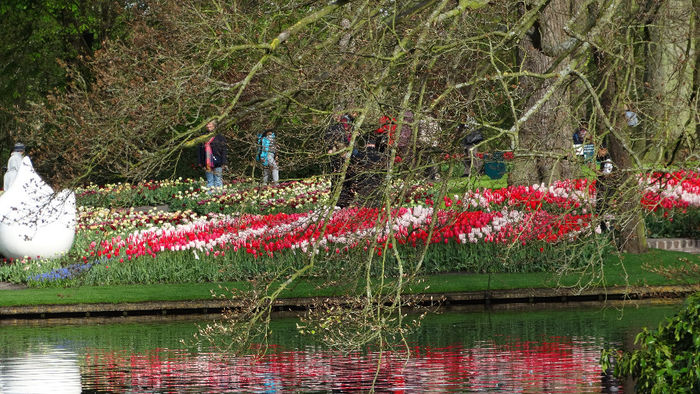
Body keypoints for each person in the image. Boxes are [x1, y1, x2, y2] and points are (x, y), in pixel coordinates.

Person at [197, 120, 227, 190]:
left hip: (218, 162)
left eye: (209, 124)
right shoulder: (203, 137)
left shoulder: (220, 137)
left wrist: (224, 162)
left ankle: (219, 197)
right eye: (207, 124)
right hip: (207, 163)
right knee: (210, 181)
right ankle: (210, 198)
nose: (208, 126)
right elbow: (199, 151)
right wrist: (200, 162)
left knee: (218, 181)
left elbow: (224, 150)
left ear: (214, 125)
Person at [595, 146, 614, 232]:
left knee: (603, 206)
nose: (598, 152)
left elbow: (606, 174)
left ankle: (606, 228)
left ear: (605, 150)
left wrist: (595, 171)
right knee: (600, 207)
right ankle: (602, 227)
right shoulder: (602, 159)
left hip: (605, 187)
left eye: (600, 150)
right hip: (602, 186)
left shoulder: (608, 160)